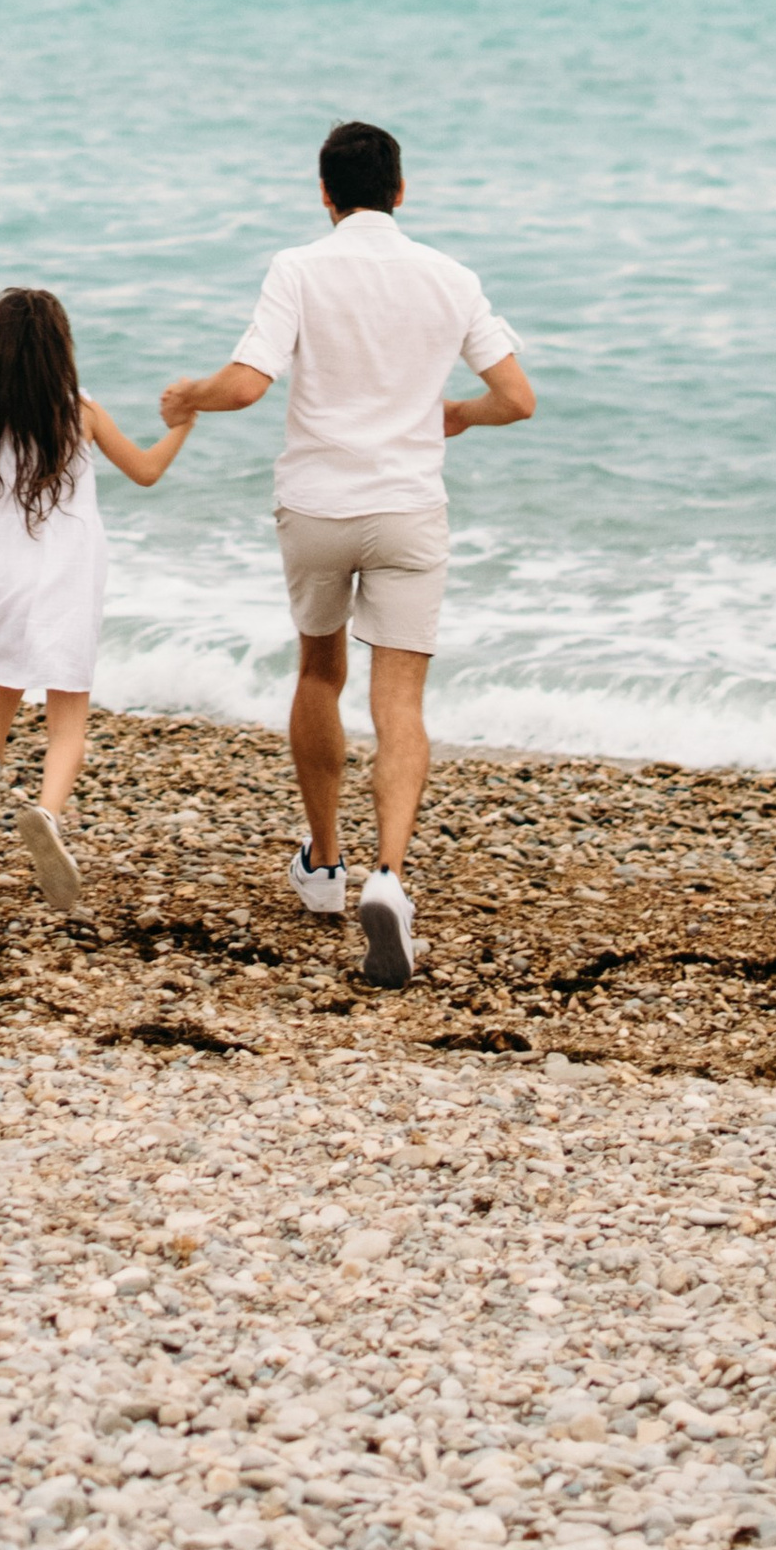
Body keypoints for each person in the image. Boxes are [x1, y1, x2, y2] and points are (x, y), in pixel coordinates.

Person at [160, 121, 536, 990]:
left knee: (319, 671)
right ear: (401, 191)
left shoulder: (300, 266)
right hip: (408, 509)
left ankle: (325, 864)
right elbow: (516, 397)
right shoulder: (451, 276)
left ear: (324, 194)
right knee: (398, 697)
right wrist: (455, 414)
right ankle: (390, 877)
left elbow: (247, 383)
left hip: (319, 506)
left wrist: (190, 396)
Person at [0, 285, 190, 915]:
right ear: (59, 352)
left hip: (2, 575)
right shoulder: (84, 414)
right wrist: (184, 425)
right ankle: (46, 813)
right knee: (67, 712)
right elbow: (148, 471)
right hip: (67, 576)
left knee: (13, 666)